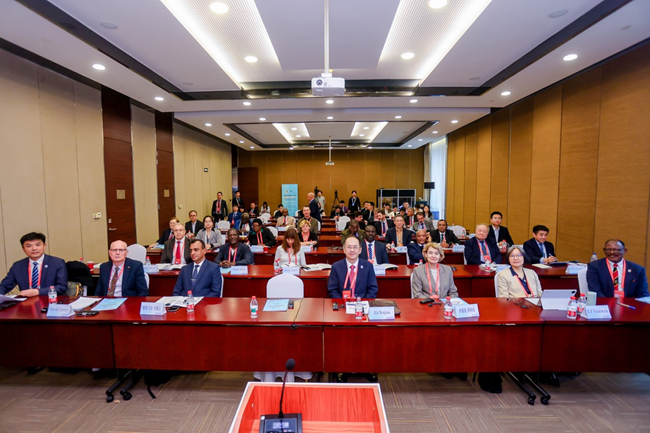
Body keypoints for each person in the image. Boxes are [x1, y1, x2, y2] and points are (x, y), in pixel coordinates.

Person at [0, 232, 67, 296]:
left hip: (50, 300)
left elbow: (62, 287)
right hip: (26, 301)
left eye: (38, 245)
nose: (34, 248)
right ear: (23, 249)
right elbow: (4, 286)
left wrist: (38, 292)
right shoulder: (18, 266)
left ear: (44, 246)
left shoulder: (57, 263)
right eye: (29, 246)